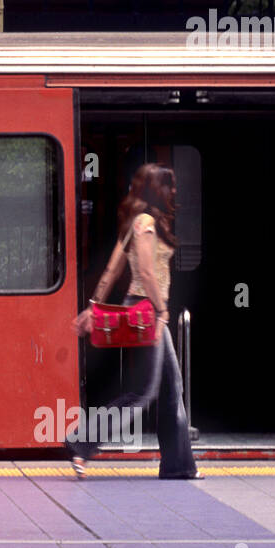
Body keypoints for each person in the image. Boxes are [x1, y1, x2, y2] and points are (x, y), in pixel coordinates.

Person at [69, 163, 201, 480]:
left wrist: (93, 307)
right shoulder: (145, 223)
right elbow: (144, 272)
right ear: (157, 189)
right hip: (147, 311)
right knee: (142, 393)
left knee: (172, 388)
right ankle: (82, 442)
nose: (174, 191)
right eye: (169, 185)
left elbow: (112, 269)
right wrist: (162, 310)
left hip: (146, 309)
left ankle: (179, 466)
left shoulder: (136, 222)